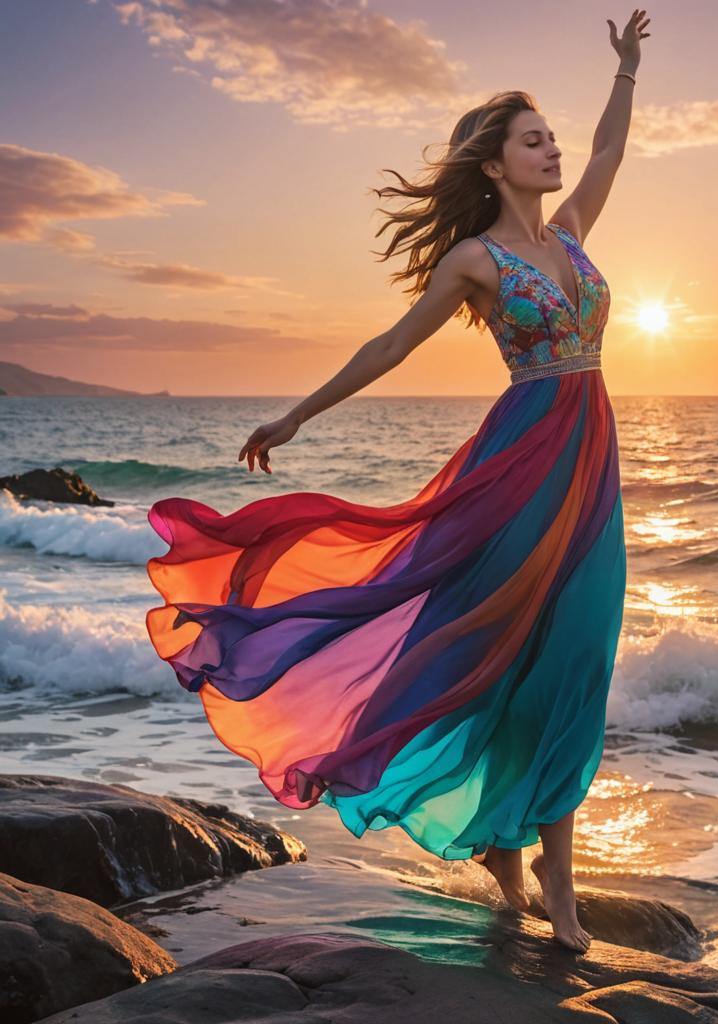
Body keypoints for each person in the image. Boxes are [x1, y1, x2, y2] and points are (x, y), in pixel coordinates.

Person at [145, 10, 651, 954]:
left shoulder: (574, 235)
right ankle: (548, 879)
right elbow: (390, 345)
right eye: (532, 140)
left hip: (592, 464)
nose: (552, 150)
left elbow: (612, 155)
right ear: (495, 166)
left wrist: (625, 71)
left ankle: (528, 855)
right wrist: (299, 413)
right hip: (520, 467)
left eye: (550, 137)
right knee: (496, 657)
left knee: (577, 658)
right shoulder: (475, 261)